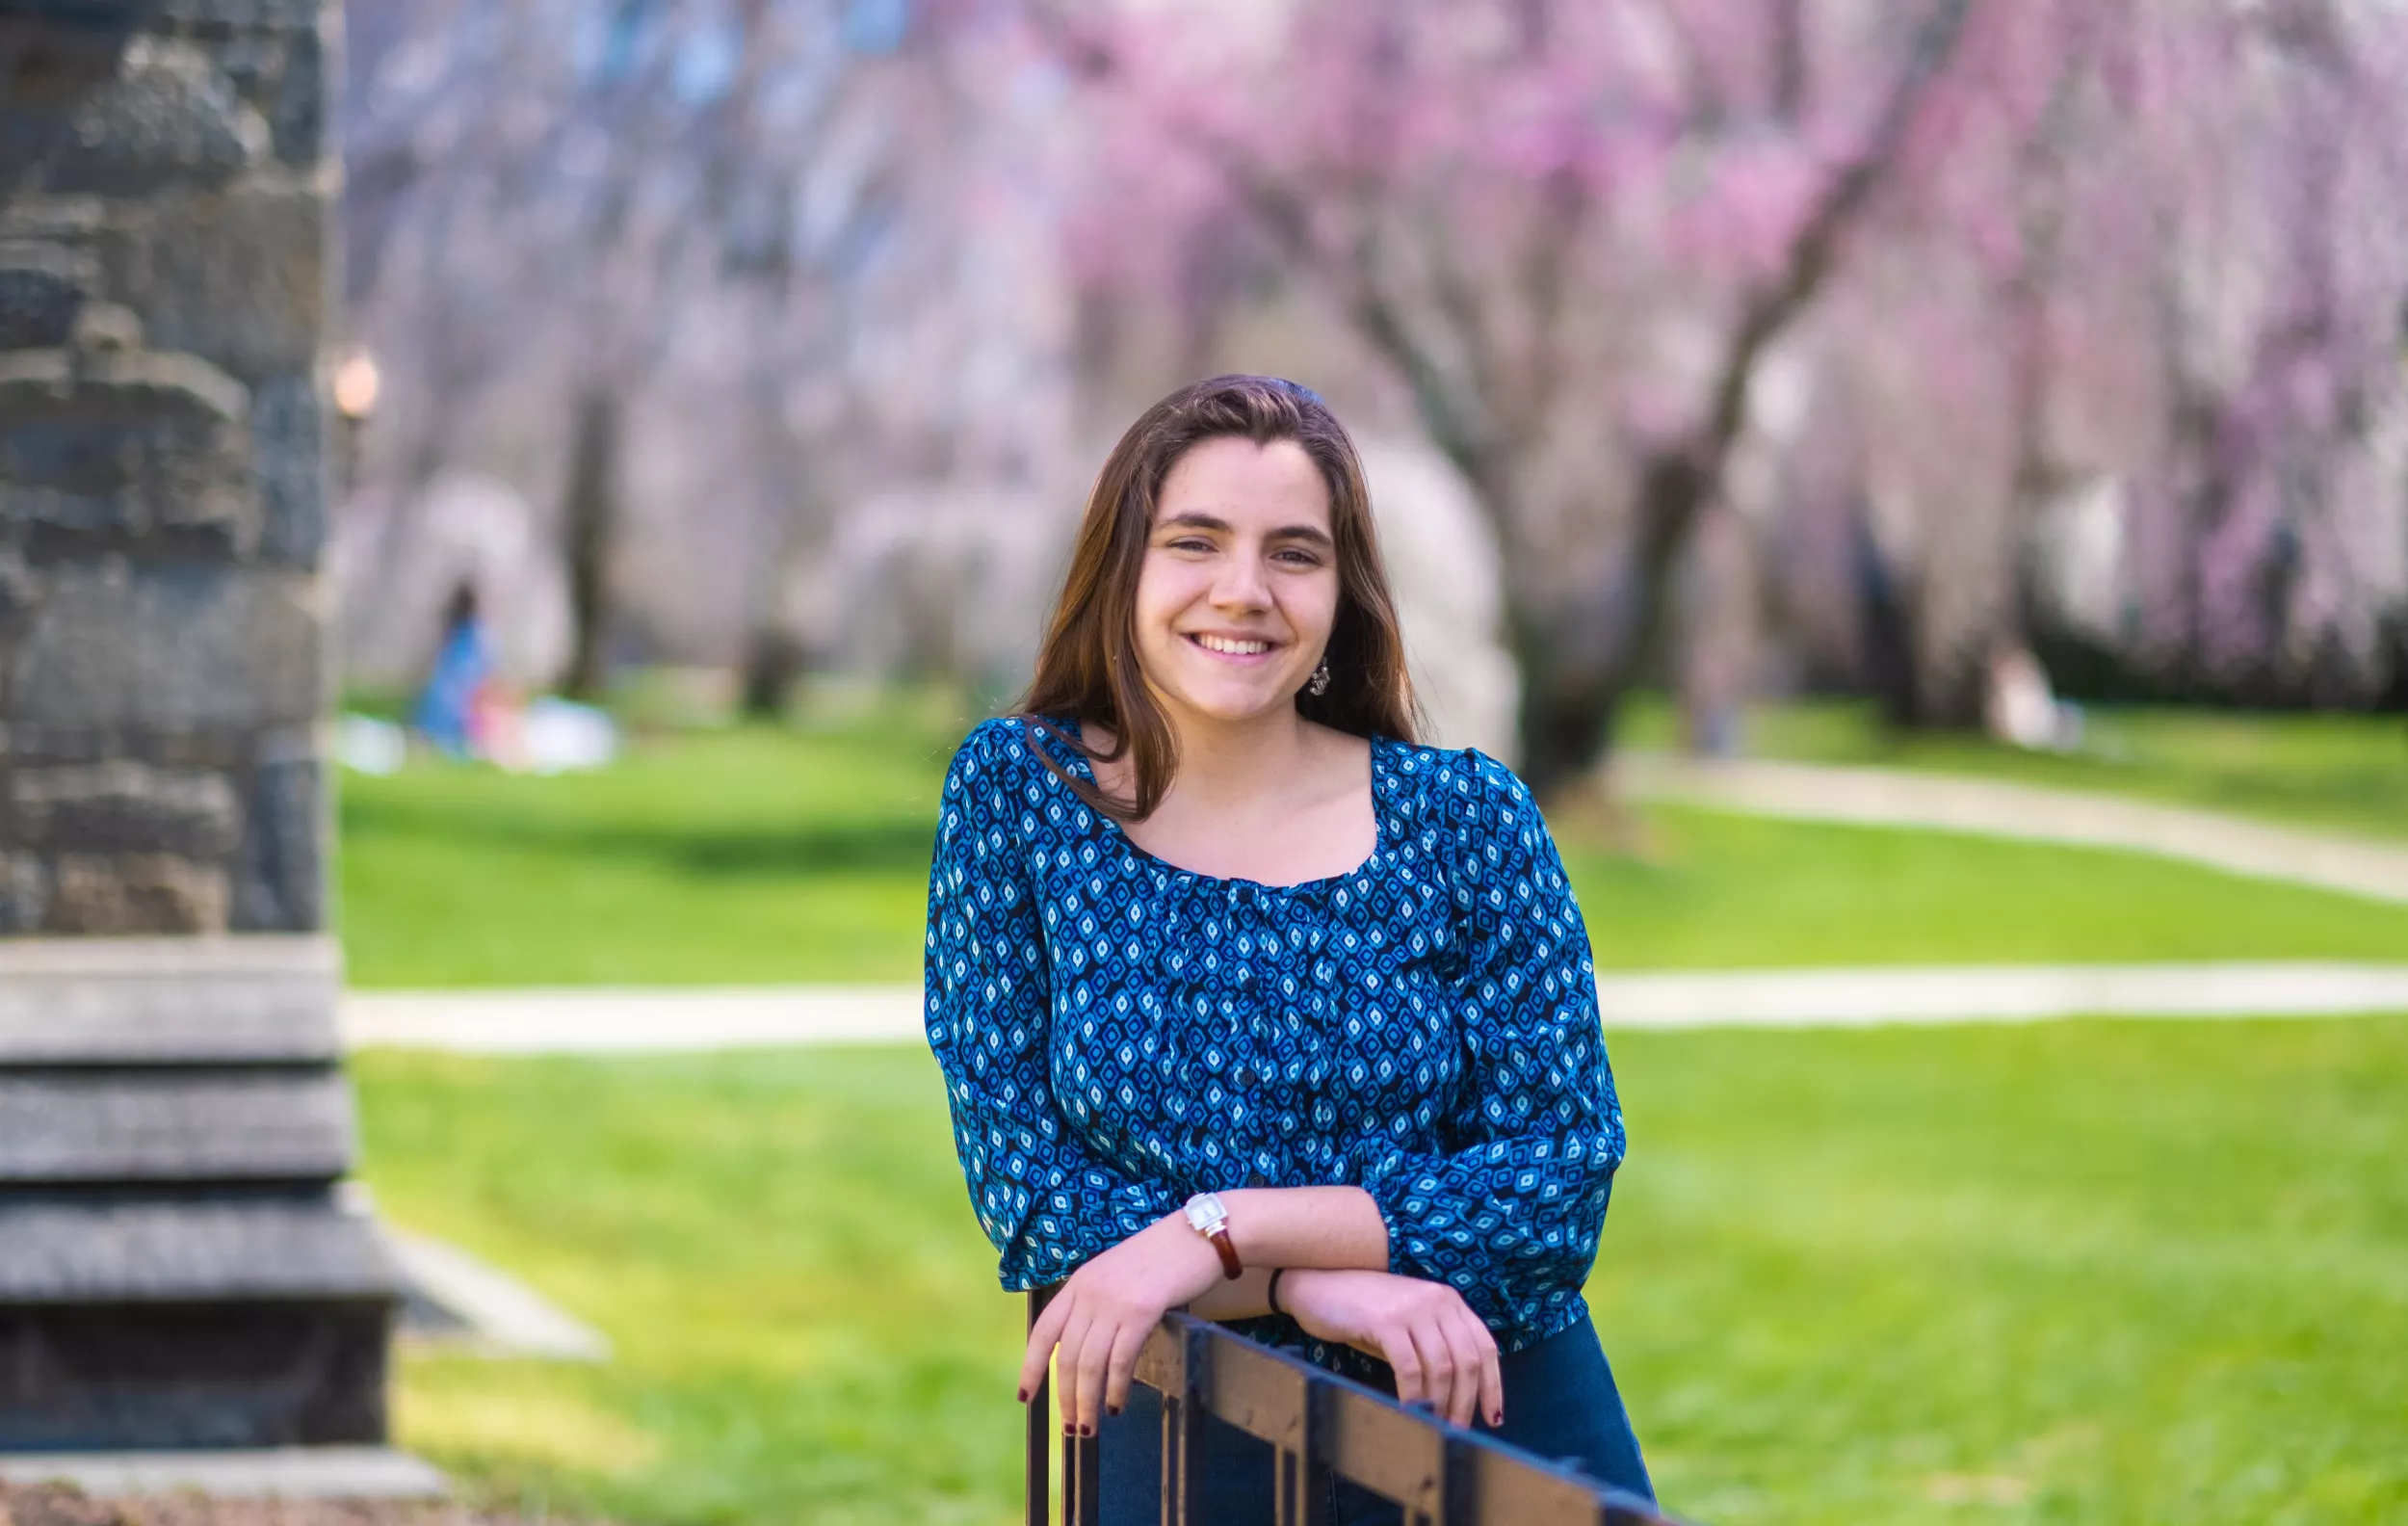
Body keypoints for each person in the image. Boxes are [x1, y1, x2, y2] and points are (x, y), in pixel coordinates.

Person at [924, 376, 1652, 1523]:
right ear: (1124, 568)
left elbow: (1558, 1180)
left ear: (1341, 589)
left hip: (1482, 1412)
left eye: (1294, 553)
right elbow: (1034, 1197)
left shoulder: (1467, 818)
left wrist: (1230, 1235)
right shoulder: (1023, 799)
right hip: (1183, 1428)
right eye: (1195, 541)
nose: (1243, 591)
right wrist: (1328, 1294)